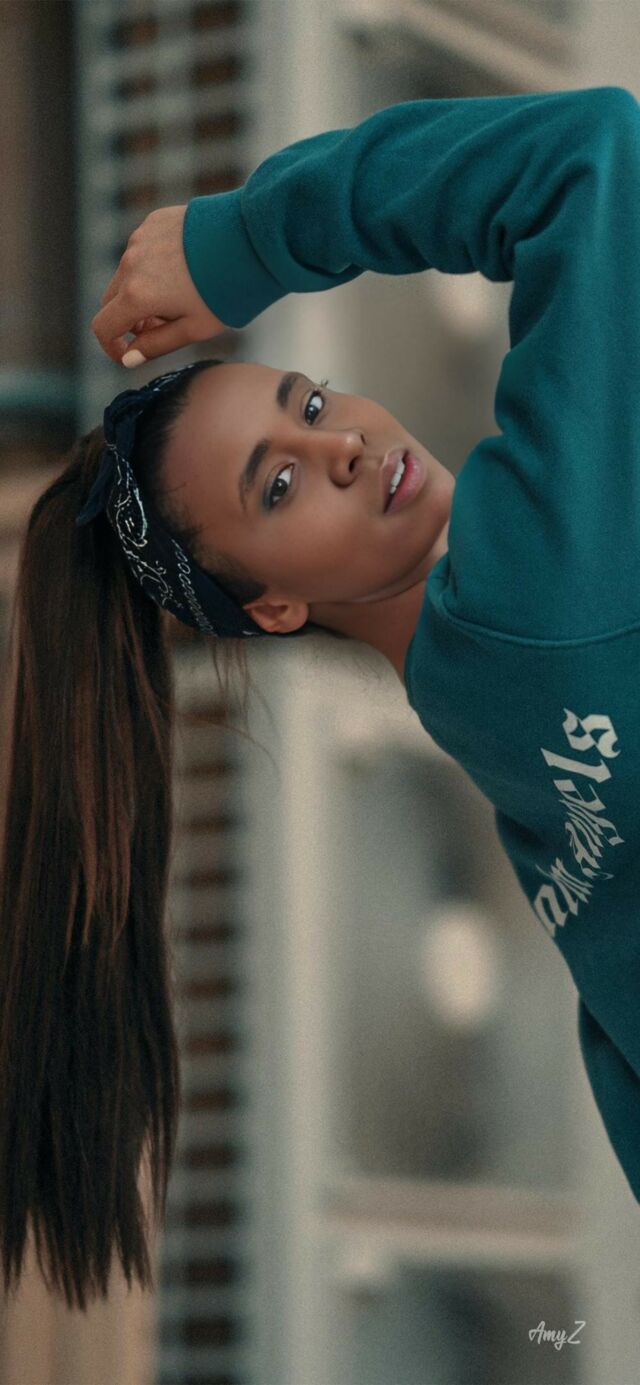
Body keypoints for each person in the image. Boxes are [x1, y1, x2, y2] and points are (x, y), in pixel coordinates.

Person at [2, 84, 639, 1315]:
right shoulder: (534, 589)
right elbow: (588, 158)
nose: (340, 442)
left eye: (306, 400)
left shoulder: (479, 704)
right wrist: (250, 241)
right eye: (279, 486)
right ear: (275, 606)